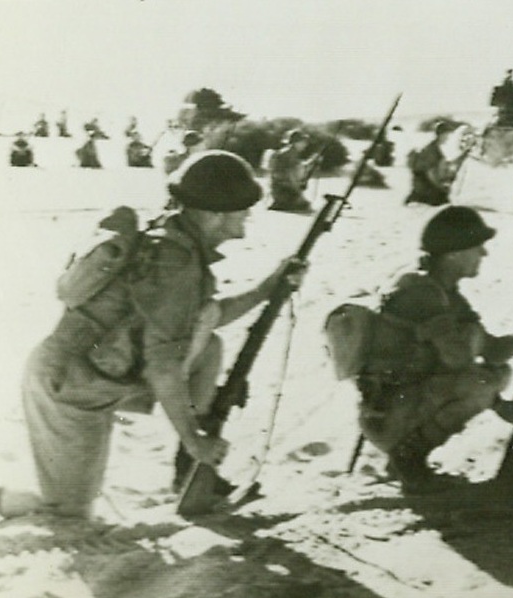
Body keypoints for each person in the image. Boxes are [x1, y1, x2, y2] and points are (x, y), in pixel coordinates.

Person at [22, 150, 306, 518]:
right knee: (68, 513)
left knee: (209, 345)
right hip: (70, 388)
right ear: (215, 215)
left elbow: (200, 319)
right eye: (242, 209)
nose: (248, 215)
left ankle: (187, 472)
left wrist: (267, 289)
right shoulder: (176, 262)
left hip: (102, 372)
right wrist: (195, 440)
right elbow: (163, 367)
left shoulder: (176, 242)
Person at [355, 205, 513, 494]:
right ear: (454, 254)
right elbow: (457, 359)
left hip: (399, 406)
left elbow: (494, 351)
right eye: (477, 247)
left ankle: (406, 456)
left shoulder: (445, 292)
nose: (484, 254)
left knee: (498, 373)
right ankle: (408, 458)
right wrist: (501, 406)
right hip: (389, 415)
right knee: (481, 382)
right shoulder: (421, 293)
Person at [405, 121, 458, 206]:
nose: (448, 137)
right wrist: (442, 188)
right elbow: (430, 173)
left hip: (425, 186)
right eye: (447, 134)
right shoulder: (432, 150)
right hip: (425, 188)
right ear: (440, 135)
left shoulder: (435, 147)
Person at [268, 128, 317, 213]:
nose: (305, 144)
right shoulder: (290, 154)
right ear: (296, 142)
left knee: (304, 204)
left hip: (279, 189)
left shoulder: (287, 152)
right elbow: (291, 175)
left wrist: (312, 161)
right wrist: (299, 192)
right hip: (284, 190)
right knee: (305, 206)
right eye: (303, 142)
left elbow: (298, 168)